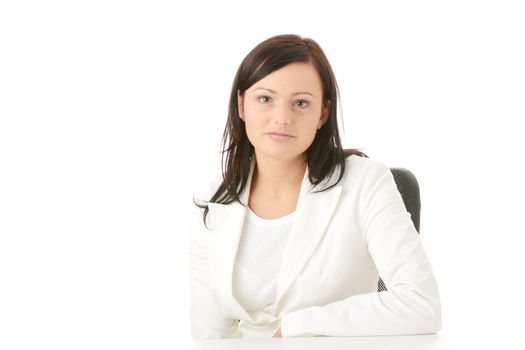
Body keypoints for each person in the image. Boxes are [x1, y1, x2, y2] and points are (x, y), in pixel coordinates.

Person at [189, 34, 442, 338]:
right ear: (241, 105)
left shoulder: (366, 182)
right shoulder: (212, 203)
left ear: (323, 113)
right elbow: (210, 336)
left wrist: (295, 326)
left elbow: (421, 304)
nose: (282, 118)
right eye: (265, 99)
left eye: (300, 103)